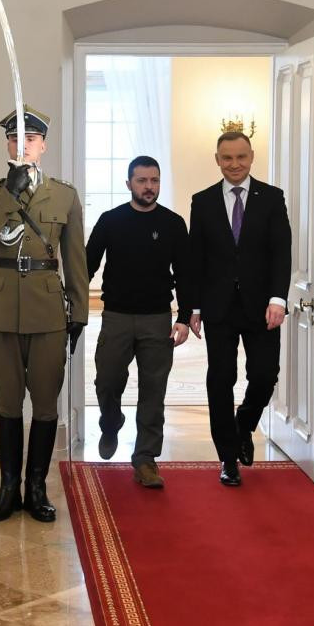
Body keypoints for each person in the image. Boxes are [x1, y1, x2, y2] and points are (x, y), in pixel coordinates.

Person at [0, 105, 88, 523]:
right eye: (16, 138)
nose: (24, 144)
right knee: (7, 402)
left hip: (48, 311)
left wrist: (80, 314)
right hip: (2, 310)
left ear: (44, 146)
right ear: (8, 144)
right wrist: (9, 192)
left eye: (32, 139)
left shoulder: (64, 194)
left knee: (44, 403)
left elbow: (75, 260)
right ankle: (7, 490)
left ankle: (36, 488)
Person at [187, 131, 292, 487]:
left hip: (262, 307)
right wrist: (194, 307)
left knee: (265, 374)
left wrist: (279, 298)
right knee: (221, 380)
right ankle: (228, 458)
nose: (235, 165)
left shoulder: (272, 198)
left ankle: (244, 424)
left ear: (252, 157)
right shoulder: (201, 202)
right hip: (218, 308)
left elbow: (282, 252)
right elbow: (195, 260)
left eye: (241, 157)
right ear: (217, 159)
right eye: (227, 158)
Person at [86, 156, 194, 488]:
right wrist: (70, 303)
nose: (149, 187)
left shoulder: (174, 224)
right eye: (142, 180)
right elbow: (86, 266)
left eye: (154, 181)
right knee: (106, 380)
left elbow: (187, 274)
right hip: (116, 317)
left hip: (157, 319)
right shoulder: (110, 221)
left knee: (153, 391)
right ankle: (111, 420)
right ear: (129, 183)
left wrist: (185, 317)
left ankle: (145, 459)